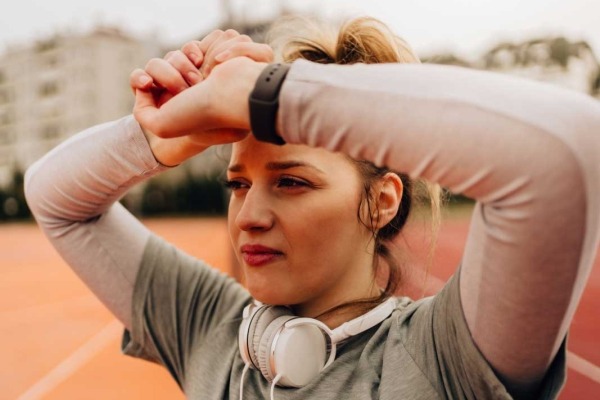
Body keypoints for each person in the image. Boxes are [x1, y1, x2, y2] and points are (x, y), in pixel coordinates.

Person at [25, 16, 599, 400]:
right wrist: (162, 138)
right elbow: (55, 198)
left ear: (381, 201)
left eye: (293, 182)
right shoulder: (209, 327)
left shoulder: (443, 357)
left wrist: (268, 95)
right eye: (238, 184)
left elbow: (570, 156)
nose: (249, 215)